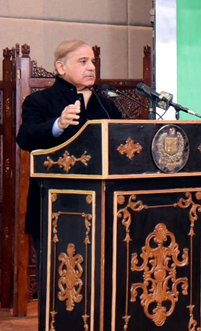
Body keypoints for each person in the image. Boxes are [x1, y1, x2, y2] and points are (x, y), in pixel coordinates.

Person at [15, 40, 123, 308]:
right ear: (60, 67)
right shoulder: (39, 100)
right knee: (59, 283)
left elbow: (123, 141)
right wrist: (57, 124)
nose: (91, 67)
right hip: (55, 206)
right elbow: (25, 138)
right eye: (83, 61)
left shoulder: (104, 102)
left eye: (93, 62)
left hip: (103, 207)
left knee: (102, 279)